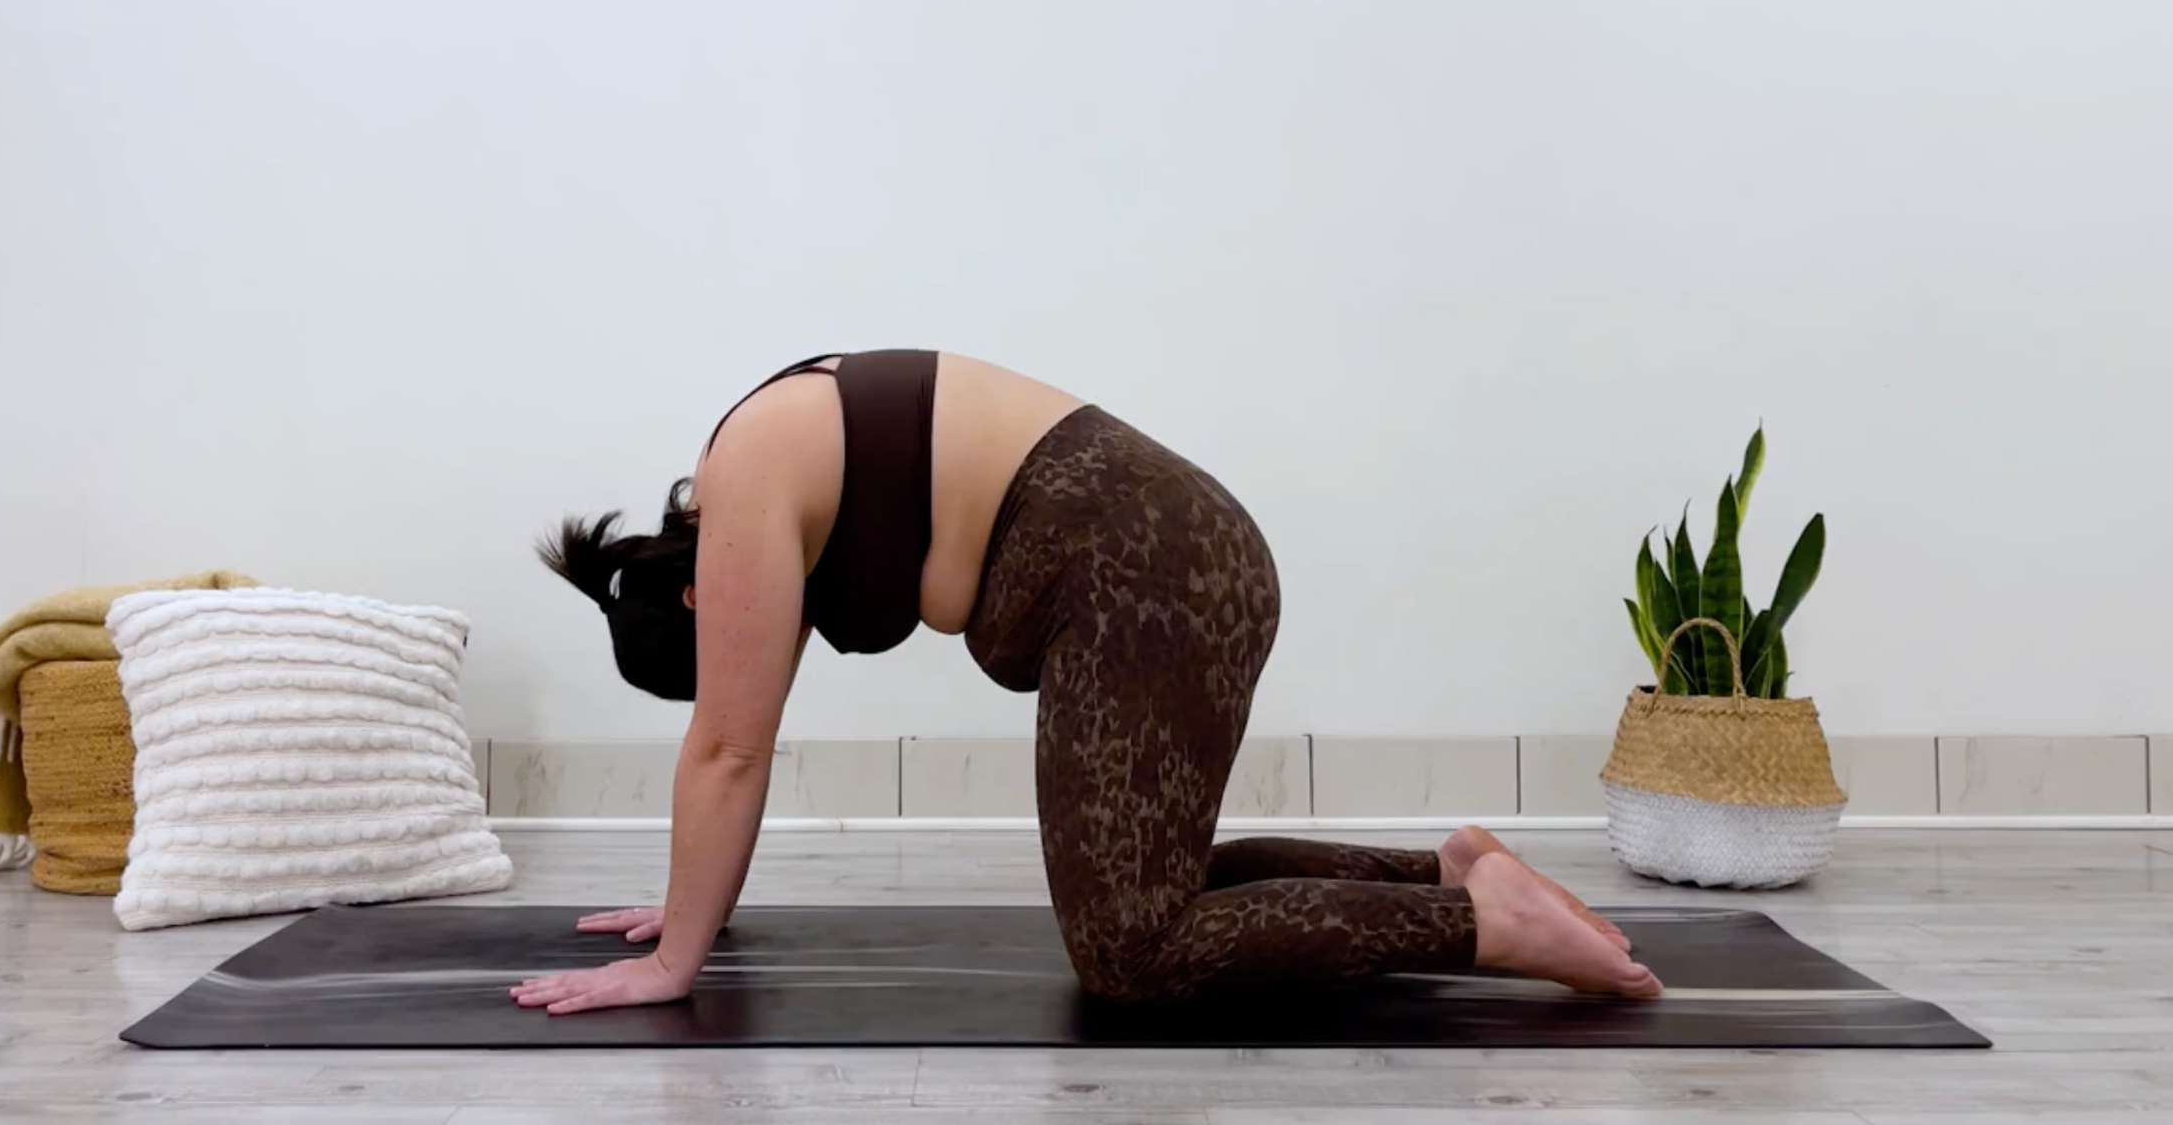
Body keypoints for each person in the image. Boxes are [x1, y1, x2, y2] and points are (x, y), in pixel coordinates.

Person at [514, 350, 1659, 1014]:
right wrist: (692, 905)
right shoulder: (761, 464)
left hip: (1141, 566)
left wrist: (672, 968)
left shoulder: (750, 472)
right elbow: (741, 734)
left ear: (696, 602)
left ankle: (1476, 924)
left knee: (1129, 950)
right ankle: (1444, 869)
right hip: (1158, 559)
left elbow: (728, 743)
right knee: (1149, 890)